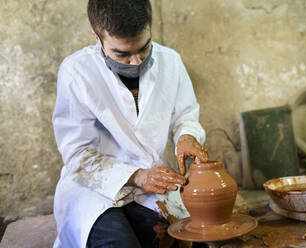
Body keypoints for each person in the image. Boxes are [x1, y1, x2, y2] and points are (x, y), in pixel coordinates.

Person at [52, 0, 209, 247]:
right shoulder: (77, 72)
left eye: (144, 48)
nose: (136, 61)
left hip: (151, 187)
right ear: (96, 35)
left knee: (189, 238)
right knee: (121, 244)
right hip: (95, 189)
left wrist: (186, 136)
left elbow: (185, 116)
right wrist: (135, 175)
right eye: (122, 54)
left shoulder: (171, 62)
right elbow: (77, 153)